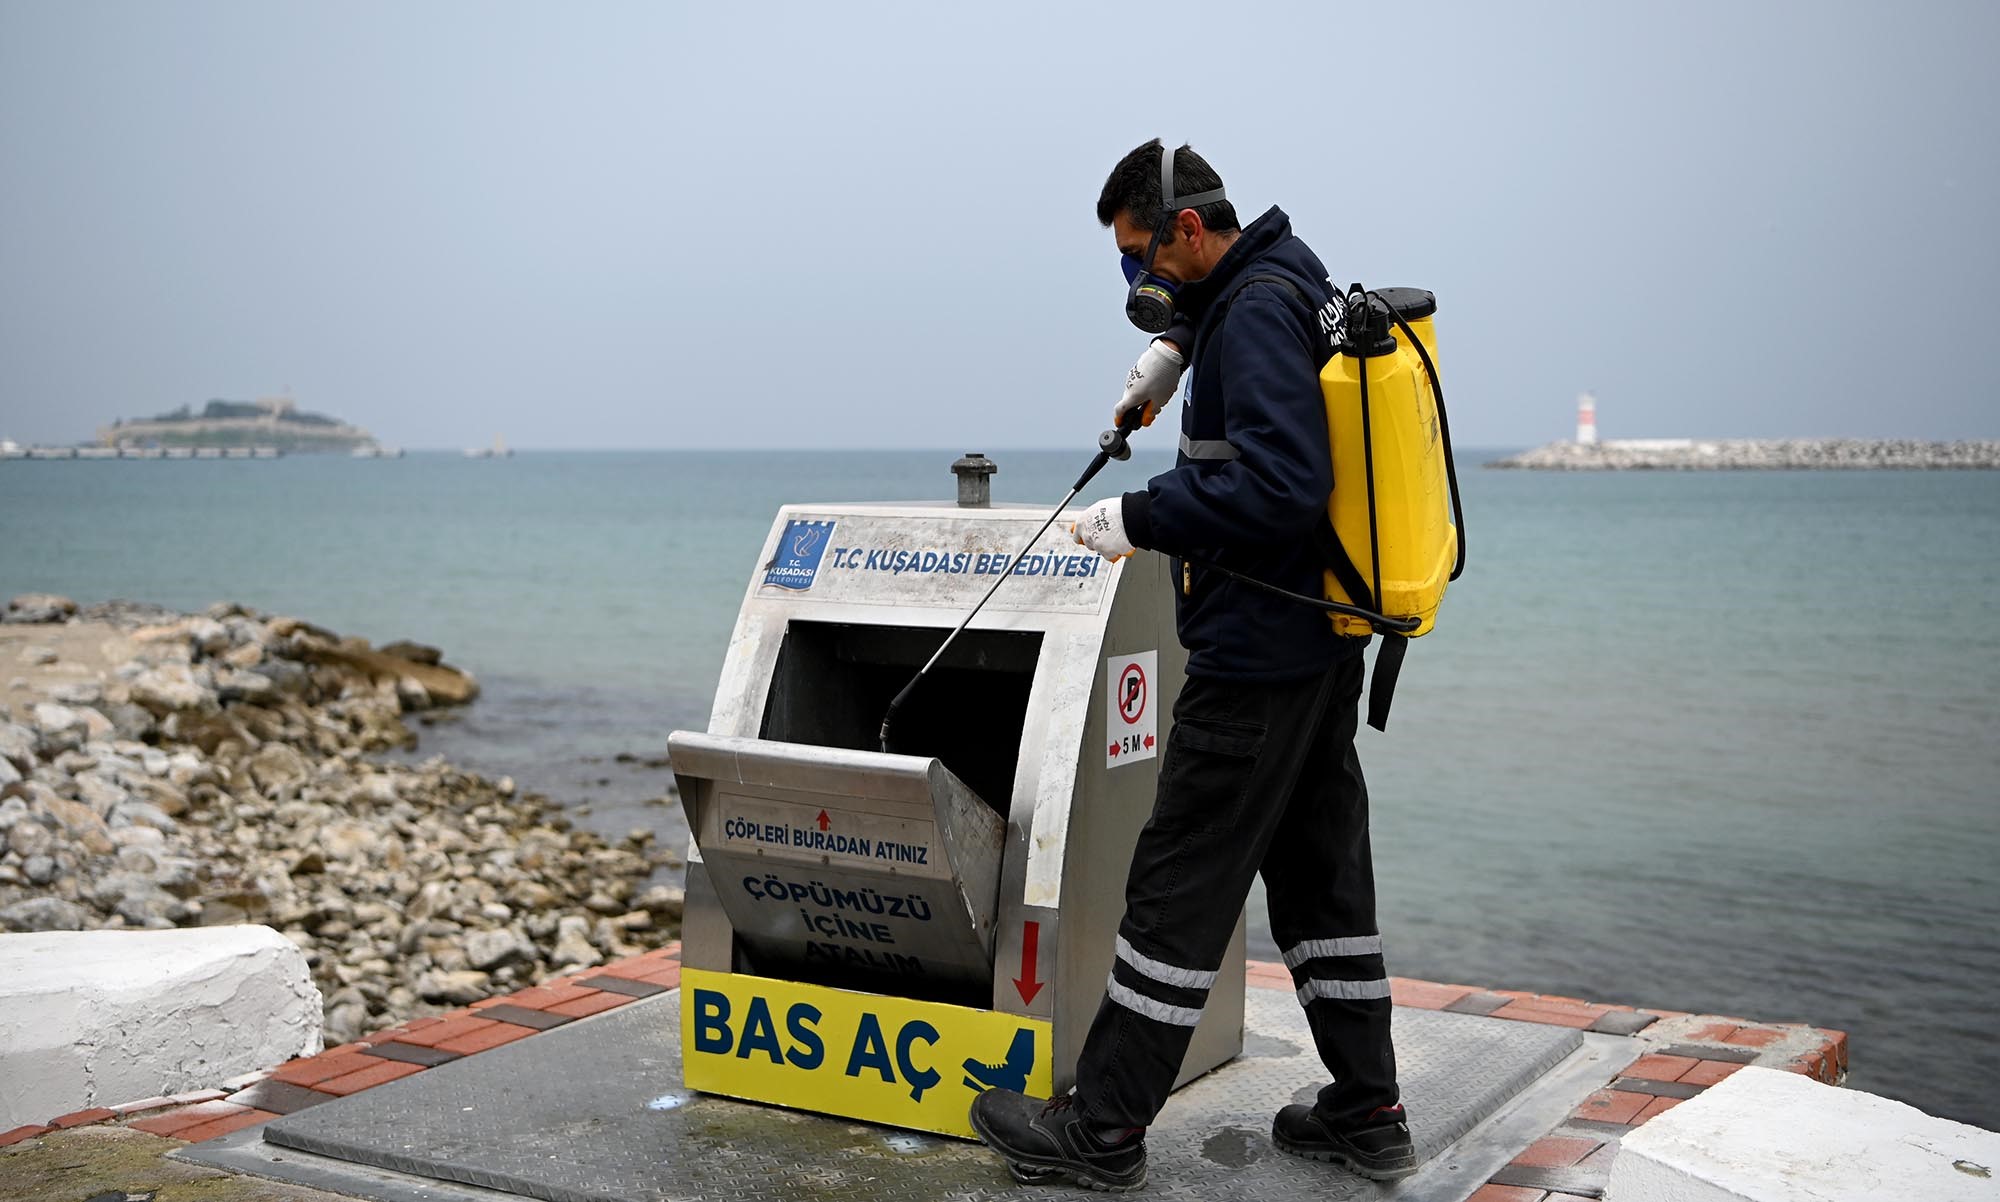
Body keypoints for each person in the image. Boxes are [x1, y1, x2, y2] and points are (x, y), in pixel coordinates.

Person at [966, 140, 1414, 1192]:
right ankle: (1367, 1105)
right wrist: (1175, 351)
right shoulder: (1282, 273)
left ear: (1185, 230)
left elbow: (1280, 489)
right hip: (1315, 653)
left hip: (1254, 659)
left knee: (1174, 890)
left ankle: (1102, 1129)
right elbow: (1255, 364)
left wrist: (1137, 515)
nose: (1134, 280)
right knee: (1318, 882)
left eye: (1138, 257)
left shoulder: (1252, 312)